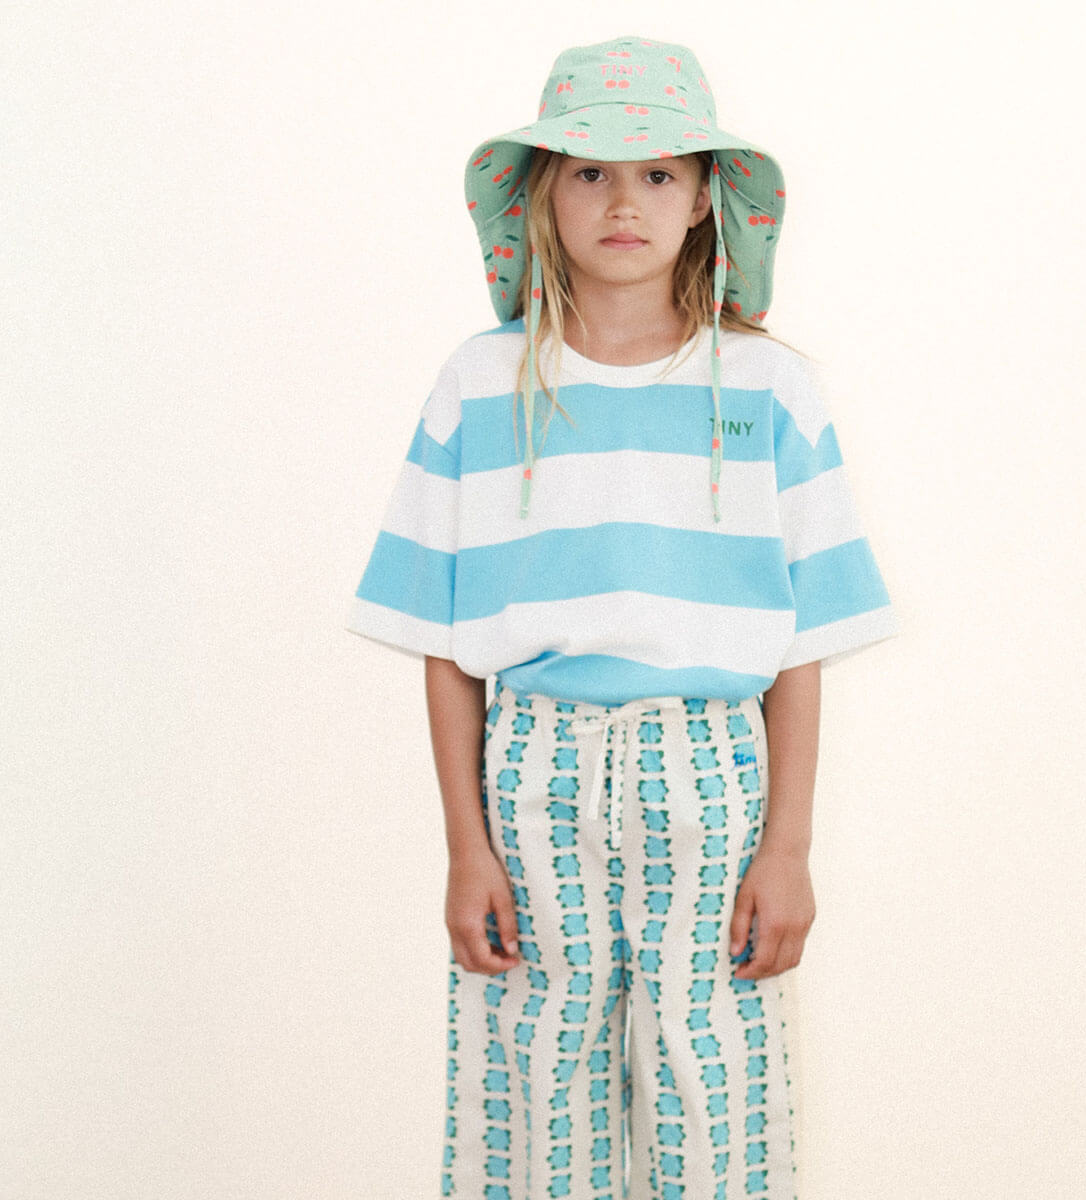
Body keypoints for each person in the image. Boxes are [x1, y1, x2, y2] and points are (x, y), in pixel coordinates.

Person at [346, 35, 898, 1200]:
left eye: (656, 173)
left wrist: (788, 849)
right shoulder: (480, 385)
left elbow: (801, 645)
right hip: (531, 773)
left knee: (717, 1097)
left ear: (702, 199)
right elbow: (446, 645)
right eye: (590, 172)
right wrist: (465, 846)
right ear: (543, 195)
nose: (623, 201)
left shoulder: (769, 389)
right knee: (536, 1092)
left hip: (713, 777)